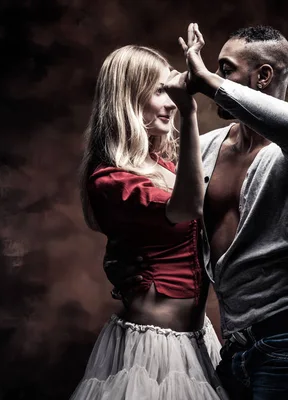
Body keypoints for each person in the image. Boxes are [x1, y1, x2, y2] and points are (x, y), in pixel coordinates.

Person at [108, 23, 288, 399]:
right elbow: (164, 207)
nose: (211, 77)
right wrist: (130, 255)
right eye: (214, 70)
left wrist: (205, 80)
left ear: (263, 76)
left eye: (225, 68)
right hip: (235, 345)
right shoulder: (206, 148)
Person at [70, 36, 229, 400]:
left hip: (198, 339)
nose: (170, 102)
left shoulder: (163, 166)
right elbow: (188, 208)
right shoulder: (111, 179)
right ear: (129, 98)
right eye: (160, 91)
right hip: (153, 351)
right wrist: (190, 113)